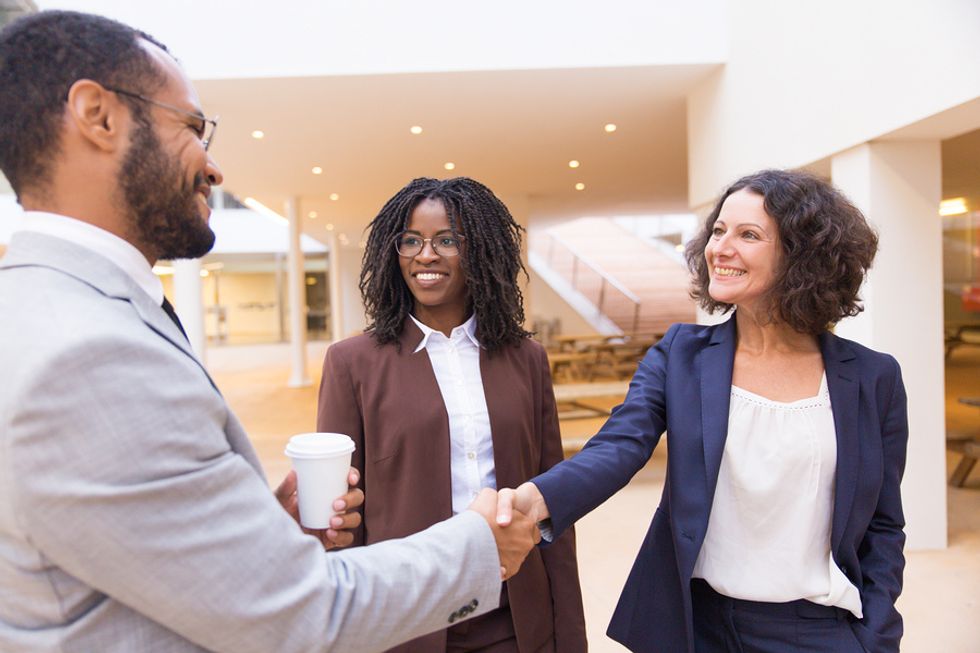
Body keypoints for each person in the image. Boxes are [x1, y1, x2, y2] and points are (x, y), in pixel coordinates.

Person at [0, 11, 539, 653]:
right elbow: (297, 615)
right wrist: (481, 545)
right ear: (99, 116)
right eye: (195, 129)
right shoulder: (88, 353)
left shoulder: (44, 307)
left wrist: (257, 529)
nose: (214, 166)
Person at [497, 169, 909, 653]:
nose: (720, 248)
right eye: (718, 230)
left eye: (748, 235)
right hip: (698, 625)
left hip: (817, 627)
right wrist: (538, 499)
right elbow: (619, 447)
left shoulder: (871, 377)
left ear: (804, 256)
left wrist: (876, 634)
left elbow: (883, 523)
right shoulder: (681, 354)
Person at [317, 177, 587, 653]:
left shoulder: (527, 359)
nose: (426, 255)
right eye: (411, 241)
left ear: (479, 251)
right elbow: (340, 516)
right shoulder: (351, 363)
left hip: (516, 616)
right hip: (405, 619)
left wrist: (568, 634)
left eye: (447, 240)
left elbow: (553, 505)